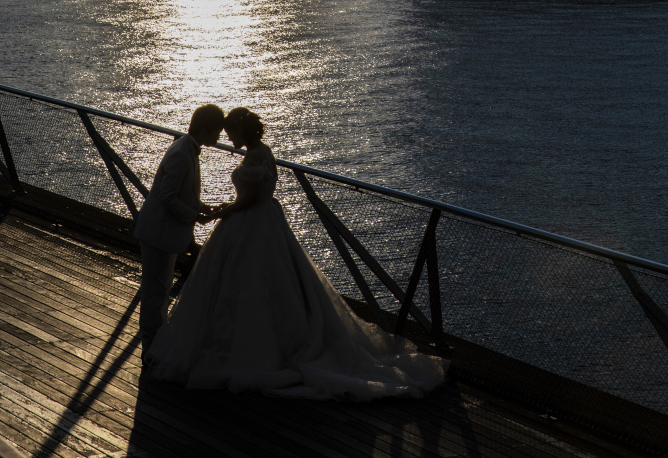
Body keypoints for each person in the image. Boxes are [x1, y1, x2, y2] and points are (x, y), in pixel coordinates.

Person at [147, 107, 448, 400]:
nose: (227, 138)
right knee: (272, 285)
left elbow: (248, 199)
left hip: (250, 224)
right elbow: (260, 193)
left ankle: (244, 349)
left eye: (230, 132)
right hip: (267, 220)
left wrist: (221, 211)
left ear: (240, 130)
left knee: (242, 285)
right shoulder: (265, 152)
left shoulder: (253, 155)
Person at [134, 103, 225, 362]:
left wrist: (203, 207)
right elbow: (168, 197)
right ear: (205, 129)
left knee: (158, 291)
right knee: (155, 293)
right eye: (216, 131)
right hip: (159, 234)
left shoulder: (187, 149)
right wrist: (195, 216)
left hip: (163, 233)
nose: (219, 137)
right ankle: (150, 350)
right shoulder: (182, 154)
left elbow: (182, 194)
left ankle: (155, 347)